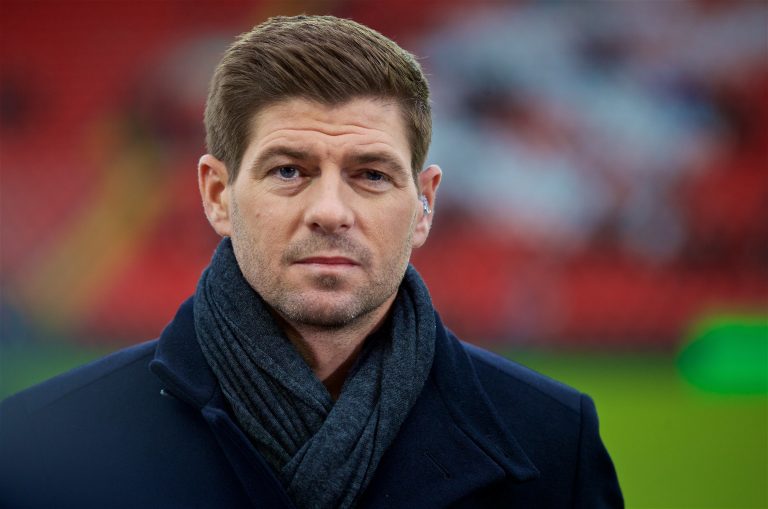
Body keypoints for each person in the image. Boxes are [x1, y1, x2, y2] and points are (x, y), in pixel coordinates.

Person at [0, 15, 622, 508]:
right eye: (288, 170)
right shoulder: (38, 445)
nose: (330, 211)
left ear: (424, 204)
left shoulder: (552, 442)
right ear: (217, 195)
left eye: (371, 174)